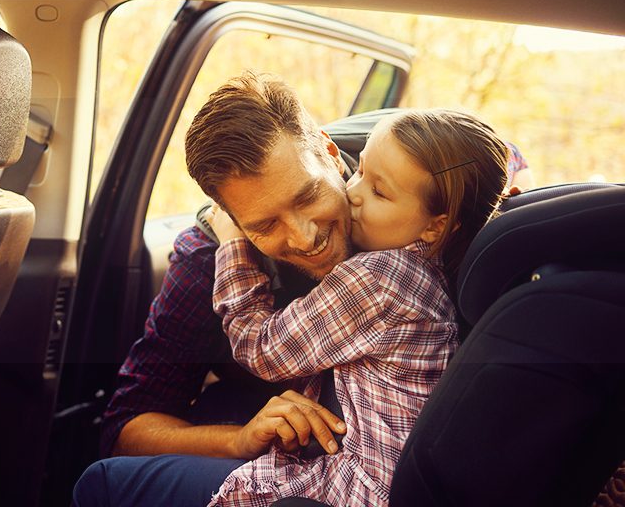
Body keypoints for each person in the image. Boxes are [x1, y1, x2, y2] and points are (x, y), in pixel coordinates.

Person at [75, 72, 356, 507]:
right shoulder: (209, 260)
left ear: (332, 155)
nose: (303, 238)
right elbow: (126, 428)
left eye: (308, 197)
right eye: (265, 225)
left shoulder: (408, 205)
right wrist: (239, 440)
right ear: (232, 222)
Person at [202, 108, 507, 506]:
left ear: (435, 225)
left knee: (107, 479)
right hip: (389, 479)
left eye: (379, 191)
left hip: (360, 487)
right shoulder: (429, 271)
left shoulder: (378, 278)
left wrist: (232, 244)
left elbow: (263, 349)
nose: (354, 193)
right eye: (360, 170)